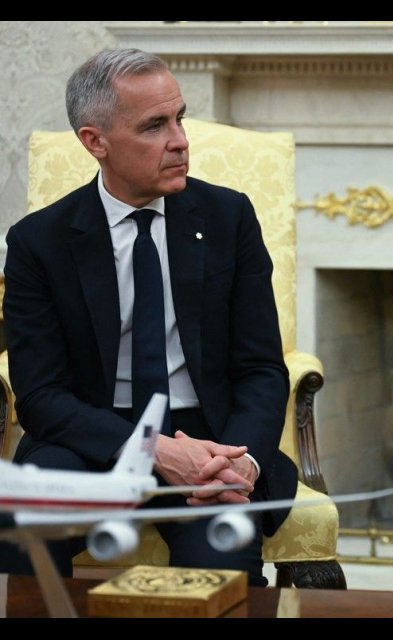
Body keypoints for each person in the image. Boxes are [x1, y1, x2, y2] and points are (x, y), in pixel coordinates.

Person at [0, 47, 297, 585]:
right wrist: (151, 449)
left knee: (221, 569)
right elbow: (41, 394)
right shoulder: (38, 243)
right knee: (23, 529)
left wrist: (241, 461)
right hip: (92, 437)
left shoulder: (229, 217)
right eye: (155, 126)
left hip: (210, 438)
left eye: (179, 118)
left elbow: (260, 368)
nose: (180, 140)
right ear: (96, 142)